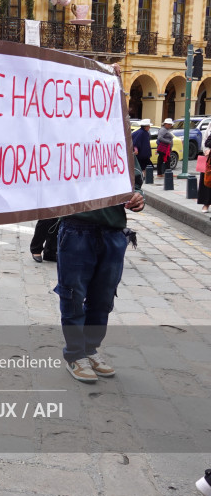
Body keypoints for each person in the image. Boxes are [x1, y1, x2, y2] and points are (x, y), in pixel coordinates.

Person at [56, 133, 145, 382]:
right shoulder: (65, 136)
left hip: (113, 233)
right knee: (73, 295)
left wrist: (138, 197)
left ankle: (90, 349)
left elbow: (135, 182)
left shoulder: (119, 140)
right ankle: (75, 355)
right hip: (76, 229)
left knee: (103, 298)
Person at [198, 131, 211, 213]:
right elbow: (206, 141)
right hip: (209, 160)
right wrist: (206, 150)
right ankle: (206, 204)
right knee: (207, 181)